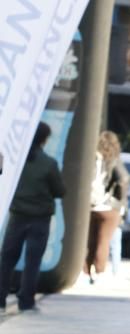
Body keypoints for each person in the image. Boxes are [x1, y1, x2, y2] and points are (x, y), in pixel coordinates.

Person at [0, 122, 65, 313]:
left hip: (17, 216)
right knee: (33, 261)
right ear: (44, 140)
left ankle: (0, 298)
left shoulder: (16, 161)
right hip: (39, 219)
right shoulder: (49, 164)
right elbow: (60, 191)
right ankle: (26, 301)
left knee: (7, 259)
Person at [86, 131, 130, 284]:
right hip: (108, 206)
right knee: (104, 241)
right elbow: (123, 178)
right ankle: (99, 273)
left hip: (90, 205)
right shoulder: (114, 159)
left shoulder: (92, 158)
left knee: (90, 240)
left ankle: (86, 273)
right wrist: (120, 201)